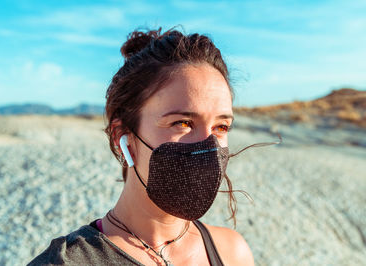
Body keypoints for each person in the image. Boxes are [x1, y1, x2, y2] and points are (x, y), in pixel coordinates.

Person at [29, 27, 256, 266]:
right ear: (122, 136)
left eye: (221, 127)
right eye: (183, 123)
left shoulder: (231, 251)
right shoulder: (66, 262)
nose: (207, 144)